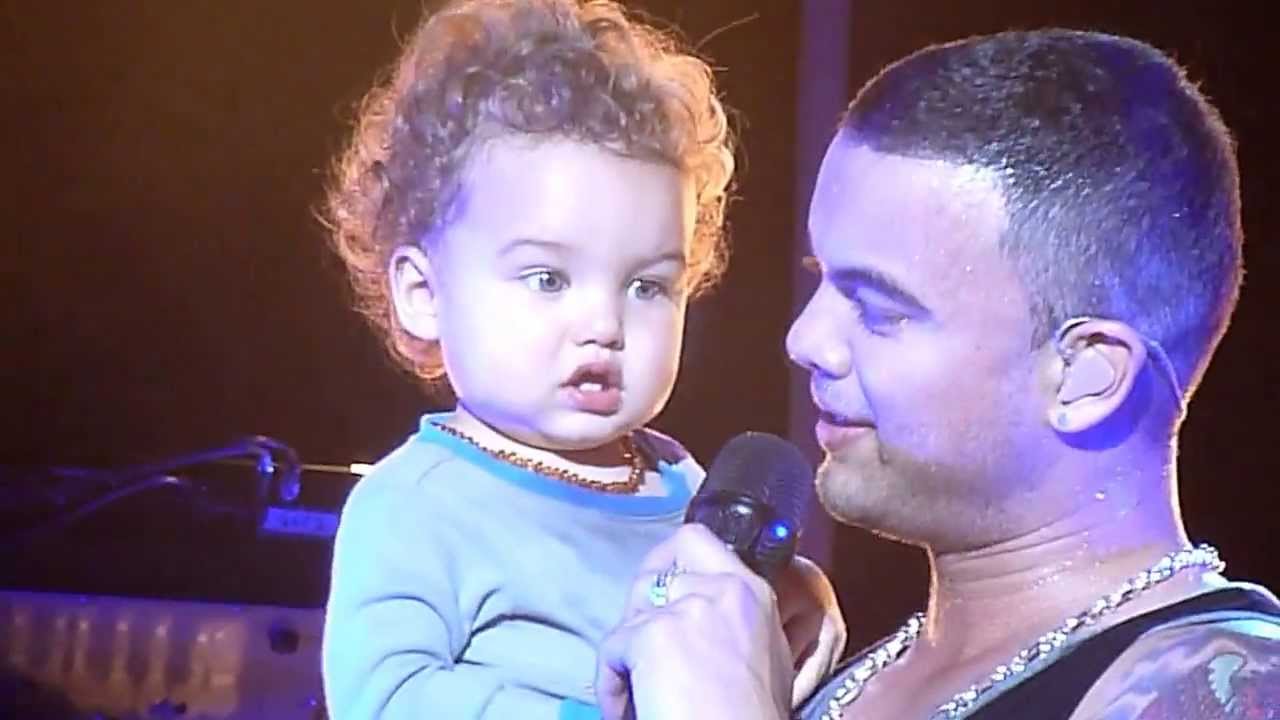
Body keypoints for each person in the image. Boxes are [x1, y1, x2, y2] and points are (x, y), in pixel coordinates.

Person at [596, 28, 1280, 720]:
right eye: (821, 278)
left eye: (881, 308)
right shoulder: (821, 677)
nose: (805, 340)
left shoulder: (1224, 684)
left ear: (1086, 376)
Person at [319, 1, 844, 718]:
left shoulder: (680, 481)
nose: (604, 325)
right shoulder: (415, 504)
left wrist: (785, 599)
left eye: (646, 286)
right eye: (548, 279)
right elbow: (386, 696)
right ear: (423, 295)